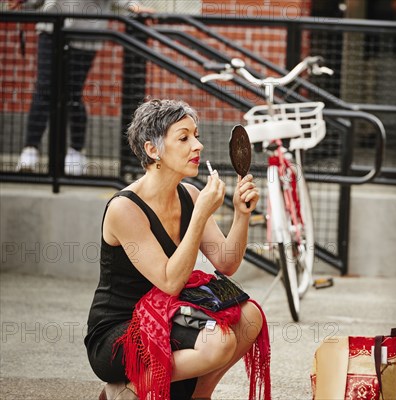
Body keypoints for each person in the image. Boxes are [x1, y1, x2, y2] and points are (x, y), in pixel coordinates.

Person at [84, 99, 266, 400]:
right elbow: (170, 282)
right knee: (216, 341)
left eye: (196, 135)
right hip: (121, 331)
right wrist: (200, 216)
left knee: (249, 318)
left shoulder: (191, 195)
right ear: (153, 150)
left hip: (169, 314)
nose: (198, 146)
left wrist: (241, 214)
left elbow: (226, 262)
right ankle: (131, 387)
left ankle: (199, 396)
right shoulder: (125, 208)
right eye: (184, 138)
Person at [11, 0, 154, 175]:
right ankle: (30, 150)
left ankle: (75, 153)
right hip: (51, 28)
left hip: (85, 33)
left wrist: (132, 5)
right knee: (44, 90)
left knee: (72, 94)